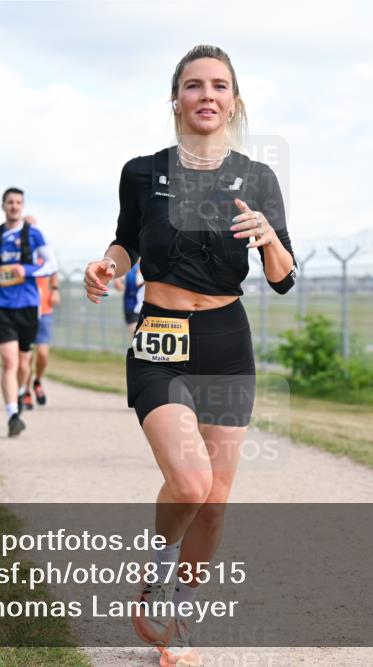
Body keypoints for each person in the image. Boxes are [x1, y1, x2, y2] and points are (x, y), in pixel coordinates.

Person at [82, 45, 297, 665]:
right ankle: (157, 580)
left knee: (216, 502)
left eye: (220, 86)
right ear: (175, 98)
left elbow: (282, 276)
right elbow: (126, 242)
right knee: (191, 480)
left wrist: (268, 237)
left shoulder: (258, 178)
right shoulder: (142, 171)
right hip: (159, 336)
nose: (207, 94)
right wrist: (106, 266)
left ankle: (182, 604)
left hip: (226, 339)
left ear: (235, 101)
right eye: (194, 85)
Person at [0, 187, 57, 437]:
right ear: (3, 206)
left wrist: (25, 271)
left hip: (28, 306)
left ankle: (20, 393)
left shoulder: (35, 235)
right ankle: (12, 415)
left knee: (23, 363)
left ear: (23, 206)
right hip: (1, 306)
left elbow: (51, 264)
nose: (14, 206)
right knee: (9, 361)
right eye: (10, 202)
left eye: (18, 202)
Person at [21, 215, 60, 410]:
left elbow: (53, 270)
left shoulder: (44, 248)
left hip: (44, 309)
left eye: (33, 226)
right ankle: (26, 391)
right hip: (25, 308)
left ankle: (38, 380)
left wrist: (55, 290)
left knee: (42, 353)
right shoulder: (19, 249)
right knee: (26, 355)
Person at [114, 263, 145, 335]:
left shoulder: (151, 266)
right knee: (139, 340)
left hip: (146, 309)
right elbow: (118, 285)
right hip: (133, 309)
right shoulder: (129, 268)